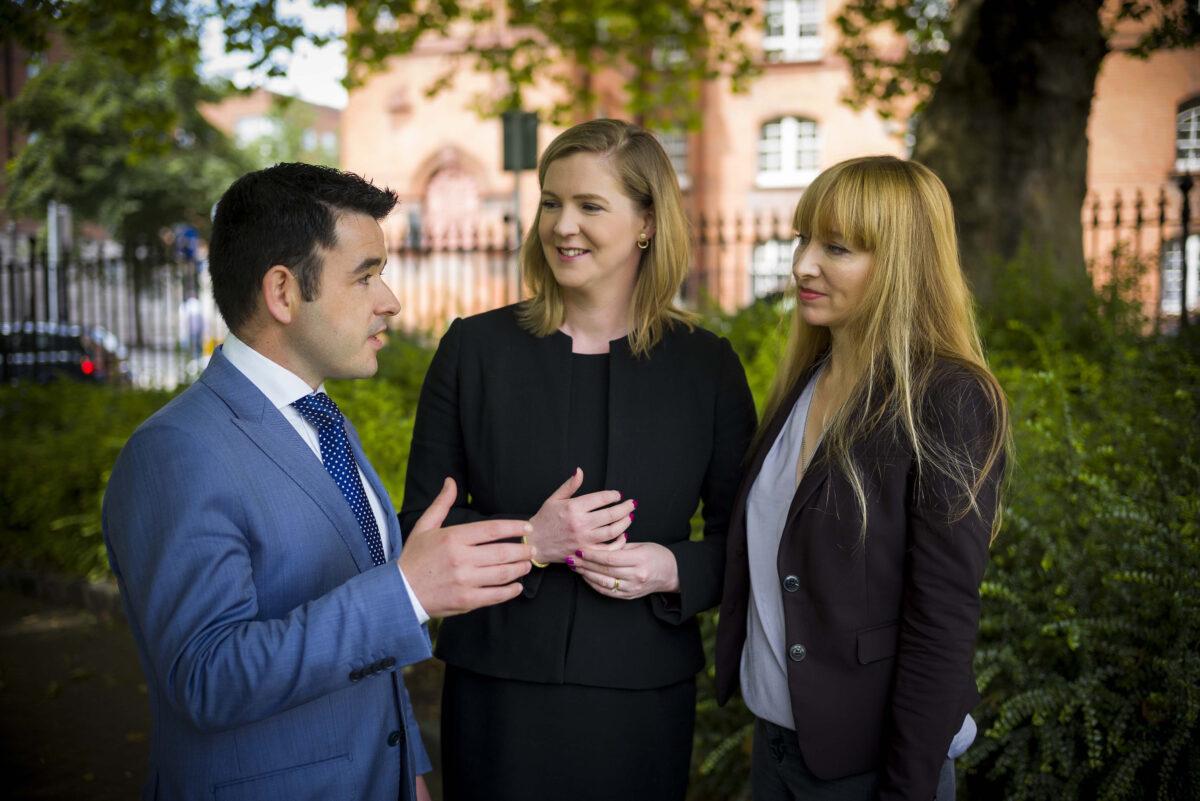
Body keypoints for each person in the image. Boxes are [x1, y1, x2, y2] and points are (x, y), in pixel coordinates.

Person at [102, 163, 535, 801]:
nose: (390, 300)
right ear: (283, 292)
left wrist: (408, 765)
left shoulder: (325, 421)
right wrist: (408, 592)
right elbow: (207, 677)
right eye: (365, 275)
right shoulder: (174, 453)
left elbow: (364, 649)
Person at [400, 119, 757, 801]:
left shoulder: (706, 366)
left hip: (642, 691)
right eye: (552, 202)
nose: (563, 225)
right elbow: (422, 521)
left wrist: (672, 567)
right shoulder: (475, 351)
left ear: (647, 222)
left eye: (591, 206)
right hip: (500, 684)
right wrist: (533, 541)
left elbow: (745, 536)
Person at [714, 156, 1010, 800]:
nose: (801, 266)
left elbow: (942, 619)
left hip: (878, 763)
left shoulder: (947, 398)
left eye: (836, 248)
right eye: (802, 239)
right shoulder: (808, 381)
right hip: (779, 743)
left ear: (901, 263)